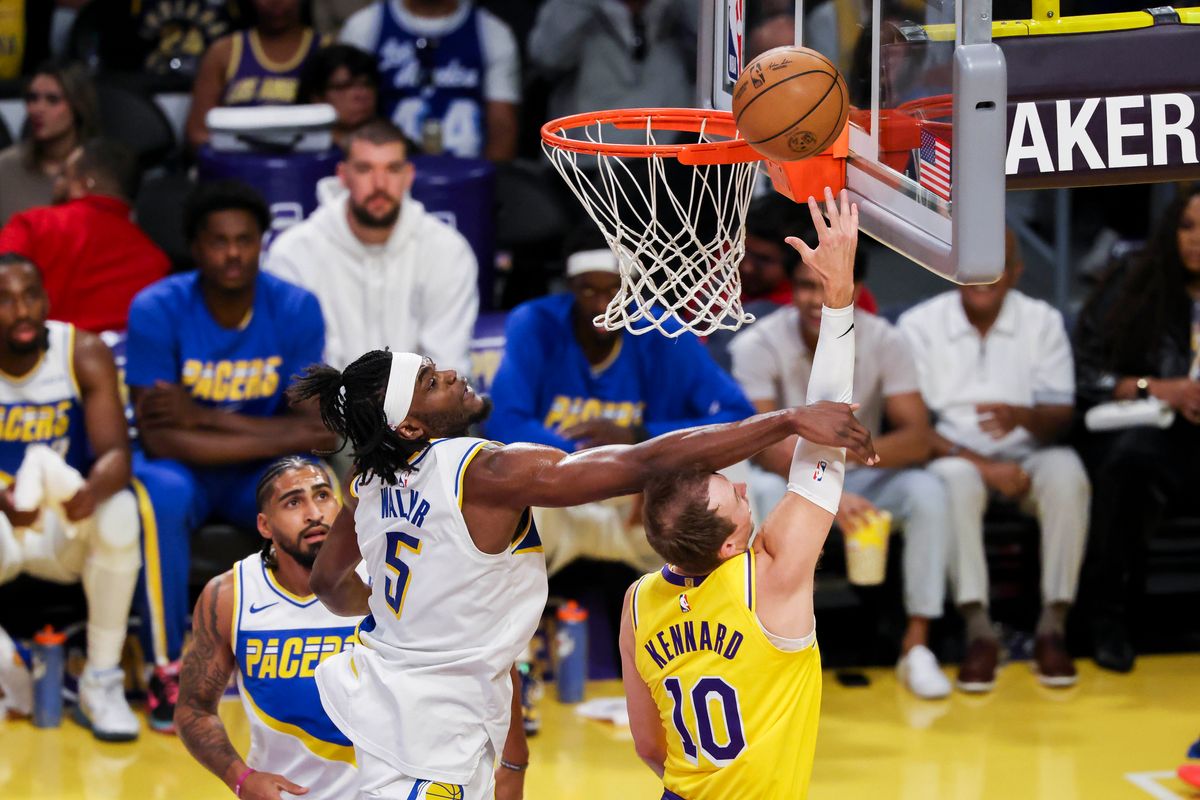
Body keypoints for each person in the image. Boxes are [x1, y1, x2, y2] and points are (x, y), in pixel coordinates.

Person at [285, 342, 875, 798]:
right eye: (431, 383)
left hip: (392, 700)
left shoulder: (369, 480)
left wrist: (406, 613)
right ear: (410, 427)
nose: (452, 376)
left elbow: (329, 585)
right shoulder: (483, 472)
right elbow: (643, 463)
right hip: (432, 731)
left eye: (436, 368)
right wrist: (787, 422)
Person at [620, 189, 858, 799]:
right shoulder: (769, 579)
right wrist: (839, 298)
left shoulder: (639, 601)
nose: (746, 485)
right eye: (739, 498)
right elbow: (824, 440)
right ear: (730, 546)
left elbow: (651, 747)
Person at [126, 181, 336, 733]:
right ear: (195, 246)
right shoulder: (156, 308)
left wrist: (202, 414)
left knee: (313, 491)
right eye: (218, 241)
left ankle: (322, 653)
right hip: (182, 469)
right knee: (158, 494)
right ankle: (168, 664)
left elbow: (316, 432)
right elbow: (160, 440)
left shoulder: (295, 307)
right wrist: (272, 430)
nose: (233, 253)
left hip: (254, 476)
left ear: (263, 243)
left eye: (245, 240)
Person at [728, 242, 953, 699]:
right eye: (806, 286)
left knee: (928, 491)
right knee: (762, 493)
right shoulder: (756, 343)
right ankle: (767, 644)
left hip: (859, 472)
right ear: (791, 289)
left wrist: (840, 474)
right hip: (784, 477)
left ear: (857, 288)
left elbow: (916, 437)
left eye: (826, 286)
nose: (815, 299)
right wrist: (824, 491)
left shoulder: (886, 339)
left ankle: (917, 647)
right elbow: (765, 441)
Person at [484, 238, 757, 575]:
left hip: (641, 500)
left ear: (631, 290)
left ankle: (710, 606)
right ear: (570, 288)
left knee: (723, 484)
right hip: (562, 496)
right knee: (512, 481)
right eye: (588, 291)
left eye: (614, 291)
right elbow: (503, 421)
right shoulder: (535, 323)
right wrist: (596, 463)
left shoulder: (665, 331)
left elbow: (738, 416)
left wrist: (640, 441)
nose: (602, 305)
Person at [898, 229, 1089, 692]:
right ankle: (979, 630)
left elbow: (1061, 414)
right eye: (972, 261)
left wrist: (1023, 416)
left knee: (1068, 473)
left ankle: (1052, 625)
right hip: (950, 452)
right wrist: (986, 467)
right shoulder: (917, 324)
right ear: (952, 268)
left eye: (995, 262)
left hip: (1029, 454)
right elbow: (916, 428)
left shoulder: (1042, 321)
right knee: (955, 481)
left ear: (1017, 272)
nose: (982, 274)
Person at [0, 254, 142, 741]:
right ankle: (8, 669)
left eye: (30, 296)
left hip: (62, 520)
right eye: (5, 300)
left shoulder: (79, 350)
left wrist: (90, 492)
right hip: (2, 523)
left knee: (120, 509)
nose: (22, 310)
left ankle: (101, 681)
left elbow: (117, 458)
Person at [176, 458, 359, 800]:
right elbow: (193, 709)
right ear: (264, 525)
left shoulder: (380, 582)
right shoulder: (231, 595)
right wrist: (241, 778)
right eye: (293, 502)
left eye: (322, 496)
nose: (313, 513)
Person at [1072, 184, 1200, 673]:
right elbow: (1087, 376)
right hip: (1141, 427)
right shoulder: (1135, 281)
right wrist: (1156, 387)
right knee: (1133, 462)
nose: (1195, 240)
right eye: (1187, 227)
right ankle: (1106, 618)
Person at [265, 120, 478, 373]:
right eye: (365, 169)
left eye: (392, 169)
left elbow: (446, 370)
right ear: (343, 176)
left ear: (409, 176)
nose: (379, 184)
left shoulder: (447, 252)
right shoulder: (293, 254)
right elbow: (297, 377)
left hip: (419, 412)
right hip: (323, 411)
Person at [0, 138, 170, 333]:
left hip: (37, 355)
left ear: (83, 183)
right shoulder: (157, 263)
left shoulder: (33, 224)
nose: (56, 185)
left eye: (64, 175)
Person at [339, 0, 520, 159]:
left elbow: (502, 127)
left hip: (468, 176)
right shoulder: (365, 27)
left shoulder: (492, 32)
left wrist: (487, 186)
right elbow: (344, 116)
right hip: (386, 176)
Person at [528, 0, 696, 136]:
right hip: (587, 159)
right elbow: (546, 59)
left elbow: (717, 52)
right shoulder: (573, 8)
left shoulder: (678, 10)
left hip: (673, 154)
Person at [186, 0, 325, 150]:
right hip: (235, 167)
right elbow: (197, 133)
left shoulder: (327, 50)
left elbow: (343, 128)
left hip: (309, 166)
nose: (275, 3)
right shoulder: (223, 52)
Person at [0, 62, 100, 226]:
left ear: (78, 106)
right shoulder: (4, 167)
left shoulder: (102, 171)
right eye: (32, 98)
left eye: (52, 99)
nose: (37, 109)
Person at [296, 44, 381, 150]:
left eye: (367, 84)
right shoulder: (296, 151)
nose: (361, 94)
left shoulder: (398, 148)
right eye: (344, 86)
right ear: (317, 98)